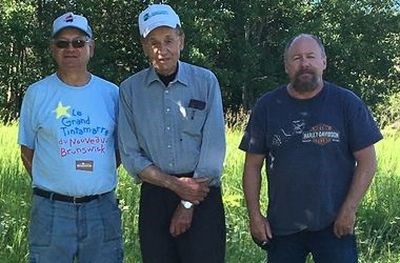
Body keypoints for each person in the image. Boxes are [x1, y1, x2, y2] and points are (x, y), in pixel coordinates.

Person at [239, 33, 383, 263]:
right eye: (296, 58)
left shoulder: (346, 103)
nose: (304, 63)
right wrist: (255, 216)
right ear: (287, 66)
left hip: (334, 223)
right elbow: (252, 166)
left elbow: (367, 161)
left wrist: (350, 209)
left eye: (310, 56)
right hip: (283, 226)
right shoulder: (267, 106)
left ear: (323, 62)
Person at [118, 4, 226, 263]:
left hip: (202, 195)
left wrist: (187, 203)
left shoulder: (206, 81)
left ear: (182, 40)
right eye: (153, 42)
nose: (162, 50)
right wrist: (174, 185)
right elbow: (131, 155)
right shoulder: (130, 90)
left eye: (169, 40)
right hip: (155, 194)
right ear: (144, 46)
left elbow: (213, 148)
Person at [18, 12, 123, 263]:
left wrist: (91, 180)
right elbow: (27, 151)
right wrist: (59, 184)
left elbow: (118, 150)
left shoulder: (112, 94)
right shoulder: (36, 94)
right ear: (53, 49)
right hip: (51, 212)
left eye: (78, 42)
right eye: (62, 43)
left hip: (101, 210)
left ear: (91, 47)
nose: (70, 49)